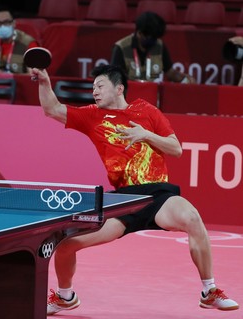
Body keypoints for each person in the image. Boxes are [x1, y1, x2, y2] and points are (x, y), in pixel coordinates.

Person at [30, 64, 239, 315]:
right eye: (92, 87)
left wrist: (146, 135)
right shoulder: (92, 115)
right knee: (66, 245)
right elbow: (52, 109)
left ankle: (210, 291)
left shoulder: (146, 111)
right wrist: (44, 81)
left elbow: (176, 149)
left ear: (119, 88)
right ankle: (65, 296)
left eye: (100, 86)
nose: (94, 92)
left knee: (192, 218)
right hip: (122, 202)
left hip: (158, 196)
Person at [111, 11, 195, 84]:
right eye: (151, 38)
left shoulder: (159, 46)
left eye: (156, 38)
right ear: (139, 33)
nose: (154, 41)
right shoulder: (121, 48)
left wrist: (185, 79)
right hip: (128, 95)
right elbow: (115, 79)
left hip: (151, 95)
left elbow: (170, 72)